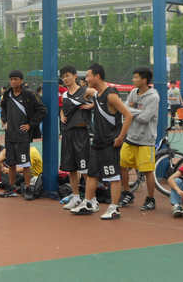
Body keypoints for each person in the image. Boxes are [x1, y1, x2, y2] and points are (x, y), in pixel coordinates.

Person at [71, 63, 132, 220]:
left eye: (88, 76)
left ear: (97, 76)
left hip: (110, 143)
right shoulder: (97, 94)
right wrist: (88, 98)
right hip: (97, 142)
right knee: (92, 174)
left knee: (113, 176)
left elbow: (128, 115)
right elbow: (90, 93)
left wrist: (120, 137)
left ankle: (114, 208)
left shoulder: (111, 95)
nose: (86, 79)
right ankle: (88, 203)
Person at [0, 70, 47, 200]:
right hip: (10, 135)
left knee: (25, 163)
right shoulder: (7, 94)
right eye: (11, 79)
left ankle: (27, 188)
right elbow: (3, 108)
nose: (13, 81)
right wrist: (4, 121)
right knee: (11, 163)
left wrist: (30, 125)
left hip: (23, 135)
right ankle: (11, 188)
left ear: (21, 80)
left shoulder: (29, 94)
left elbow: (42, 110)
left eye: (16, 79)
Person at [119, 67, 159, 211]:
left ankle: (151, 199)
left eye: (136, 77)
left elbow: (144, 118)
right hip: (131, 137)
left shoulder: (153, 97)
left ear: (144, 80)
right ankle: (127, 193)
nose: (133, 80)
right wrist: (134, 111)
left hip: (146, 140)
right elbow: (124, 109)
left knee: (147, 171)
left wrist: (130, 111)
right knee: (122, 165)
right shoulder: (133, 92)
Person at [59, 65, 93, 210]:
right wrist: (61, 115)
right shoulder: (65, 95)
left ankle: (91, 199)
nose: (65, 79)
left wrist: (92, 106)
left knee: (85, 169)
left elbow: (102, 100)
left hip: (81, 134)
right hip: (68, 133)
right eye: (63, 77)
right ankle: (76, 197)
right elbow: (62, 108)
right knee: (71, 168)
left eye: (68, 75)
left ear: (75, 76)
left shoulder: (86, 91)